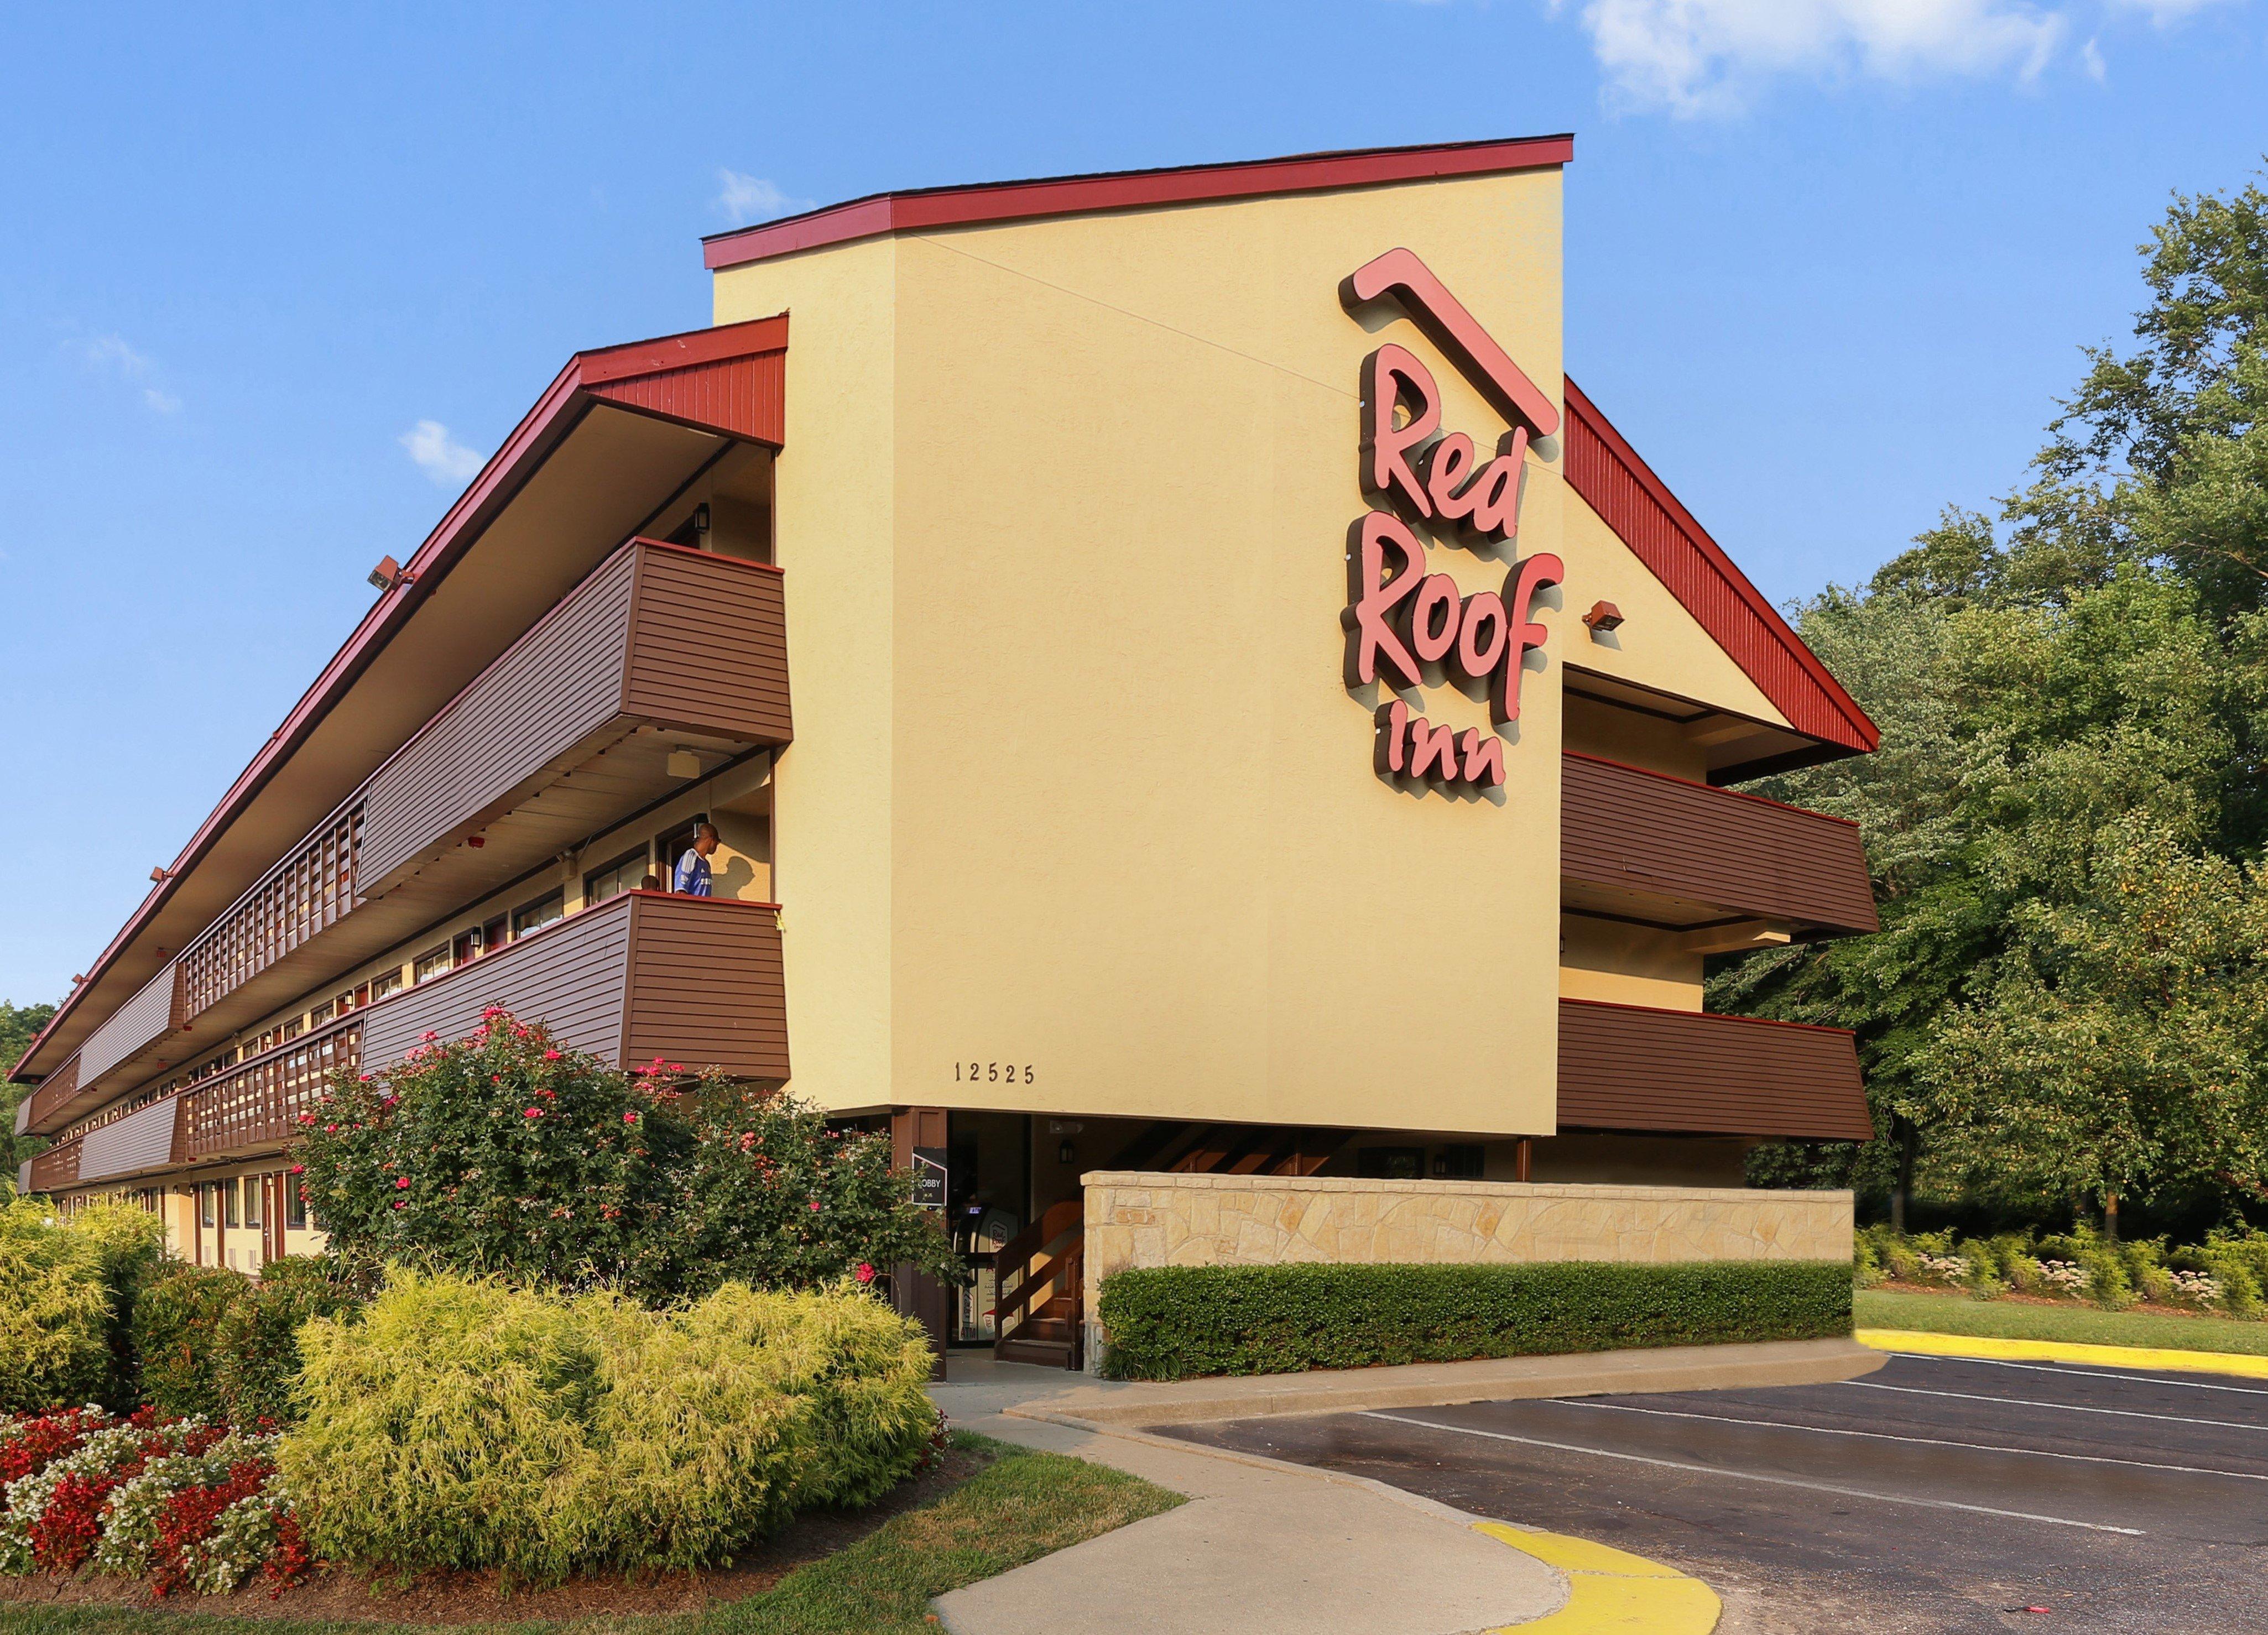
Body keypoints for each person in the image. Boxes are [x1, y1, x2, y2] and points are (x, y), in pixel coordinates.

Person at [672, 823, 719, 896]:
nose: (717, 846)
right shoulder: (691, 856)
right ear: (712, 839)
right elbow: (680, 892)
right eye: (718, 842)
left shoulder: (707, 865)